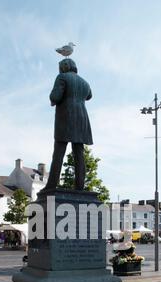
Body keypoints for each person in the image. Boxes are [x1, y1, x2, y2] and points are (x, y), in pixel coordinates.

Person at [45, 58, 93, 191]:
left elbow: (55, 97)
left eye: (60, 67)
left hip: (66, 117)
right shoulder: (85, 82)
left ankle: (51, 185)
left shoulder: (62, 77)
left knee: (59, 152)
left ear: (65, 66)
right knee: (79, 153)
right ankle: (79, 187)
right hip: (82, 119)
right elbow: (89, 96)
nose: (60, 69)